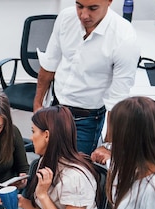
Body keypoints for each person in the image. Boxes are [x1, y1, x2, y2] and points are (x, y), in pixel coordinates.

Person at [33, 0, 139, 155]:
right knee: (48, 162)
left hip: (85, 120)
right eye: (79, 6)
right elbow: (49, 63)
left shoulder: (124, 37)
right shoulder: (66, 18)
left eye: (93, 8)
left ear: (109, 2)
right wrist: (37, 105)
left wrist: (108, 144)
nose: (83, 15)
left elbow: (117, 100)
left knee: (75, 172)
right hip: (54, 108)